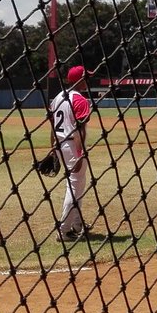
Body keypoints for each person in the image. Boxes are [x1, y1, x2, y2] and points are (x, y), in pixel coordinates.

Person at [50, 64, 93, 241]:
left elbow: (52, 126)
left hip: (60, 144)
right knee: (74, 186)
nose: (88, 80)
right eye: (86, 77)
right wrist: (80, 153)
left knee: (78, 185)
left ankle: (77, 224)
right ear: (79, 80)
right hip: (71, 145)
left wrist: (52, 148)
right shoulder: (80, 100)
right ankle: (64, 230)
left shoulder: (58, 97)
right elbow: (79, 130)